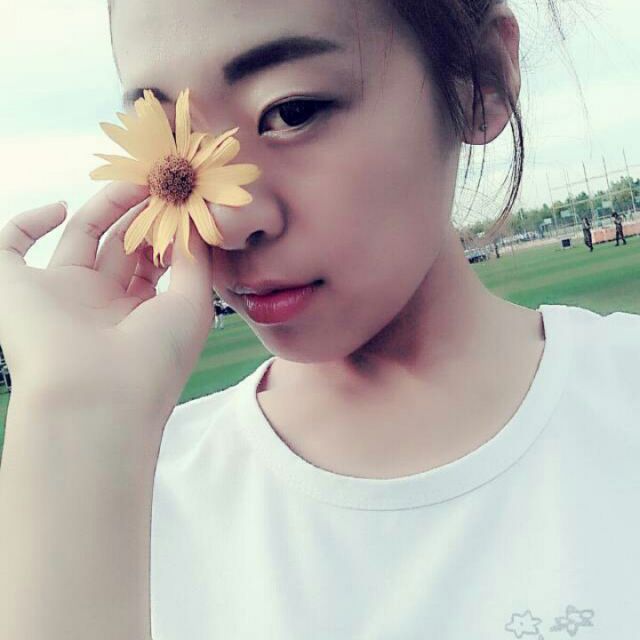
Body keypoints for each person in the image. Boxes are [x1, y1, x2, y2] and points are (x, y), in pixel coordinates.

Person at [2, 1, 640, 639]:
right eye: (178, 145)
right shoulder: (126, 497)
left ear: (480, 78)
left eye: (292, 111)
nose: (226, 218)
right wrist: (71, 419)